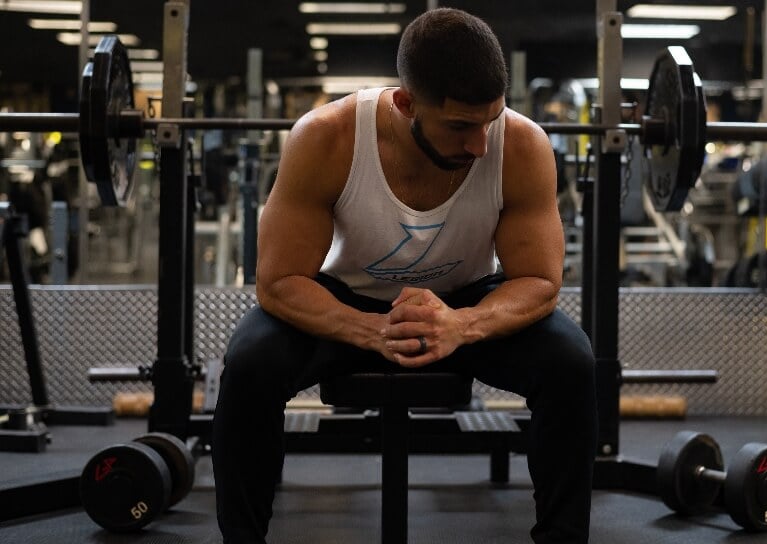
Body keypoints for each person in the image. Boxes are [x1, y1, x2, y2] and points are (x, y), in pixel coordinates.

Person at [212, 7, 597, 543]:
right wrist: (369, 329)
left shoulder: (522, 145)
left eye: (490, 120)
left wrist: (464, 325)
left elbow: (539, 281)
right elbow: (278, 282)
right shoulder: (326, 137)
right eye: (460, 126)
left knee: (571, 361)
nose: (479, 145)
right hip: (347, 303)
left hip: (462, 304)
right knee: (251, 362)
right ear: (406, 103)